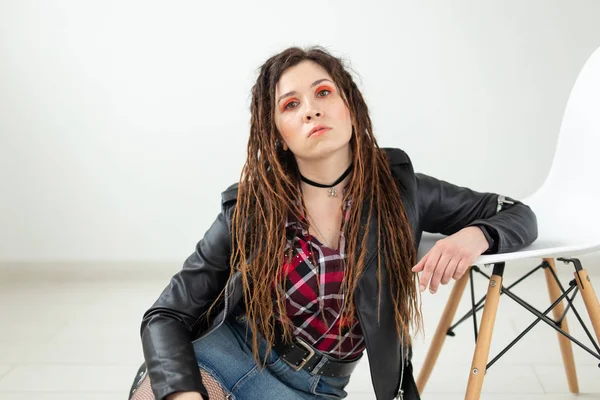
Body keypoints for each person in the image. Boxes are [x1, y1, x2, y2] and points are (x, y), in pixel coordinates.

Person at [139, 46, 538, 400]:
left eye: (323, 92)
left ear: (350, 105)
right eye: (290, 104)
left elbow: (517, 212)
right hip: (224, 356)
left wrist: (476, 235)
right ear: (278, 135)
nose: (311, 108)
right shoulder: (250, 206)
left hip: (319, 386)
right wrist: (182, 393)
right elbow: (166, 315)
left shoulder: (400, 190)